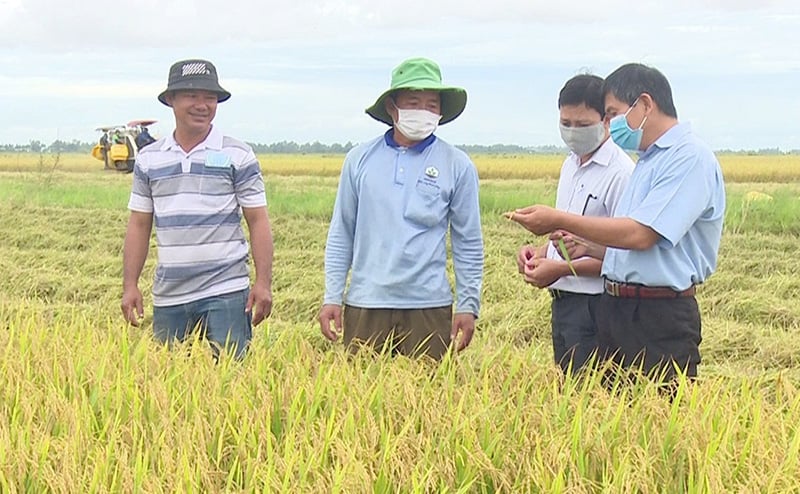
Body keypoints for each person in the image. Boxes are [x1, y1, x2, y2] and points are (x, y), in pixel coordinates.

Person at [509, 63, 726, 382]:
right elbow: (630, 249)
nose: (610, 124)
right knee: (612, 421)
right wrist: (588, 247)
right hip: (619, 310)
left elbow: (641, 235)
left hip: (657, 315)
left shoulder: (689, 157)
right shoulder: (649, 161)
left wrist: (557, 219)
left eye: (612, 114)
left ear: (645, 105)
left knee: (656, 420)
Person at [319, 57, 484, 360]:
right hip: (366, 302)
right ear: (392, 107)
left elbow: (468, 241)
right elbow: (342, 232)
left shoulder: (457, 164)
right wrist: (332, 296)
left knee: (427, 398)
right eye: (413, 102)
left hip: (429, 306)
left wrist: (468, 304)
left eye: (432, 104)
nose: (423, 111)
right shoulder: (359, 160)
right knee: (361, 398)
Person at [120, 58, 274, 359]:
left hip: (227, 290)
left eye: (210, 97)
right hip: (170, 294)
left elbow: (258, 220)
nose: (202, 105)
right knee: (167, 383)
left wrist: (263, 283)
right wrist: (130, 285)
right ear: (171, 100)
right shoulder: (150, 159)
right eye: (192, 95)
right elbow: (139, 224)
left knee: (231, 383)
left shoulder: (237, 154)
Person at [516, 74, 633, 375]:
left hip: (598, 308)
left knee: (591, 398)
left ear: (606, 120)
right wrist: (541, 254)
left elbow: (624, 257)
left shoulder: (621, 174)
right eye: (566, 123)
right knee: (566, 395)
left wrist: (560, 269)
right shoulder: (570, 164)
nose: (572, 132)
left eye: (582, 125)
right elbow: (566, 238)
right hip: (563, 304)